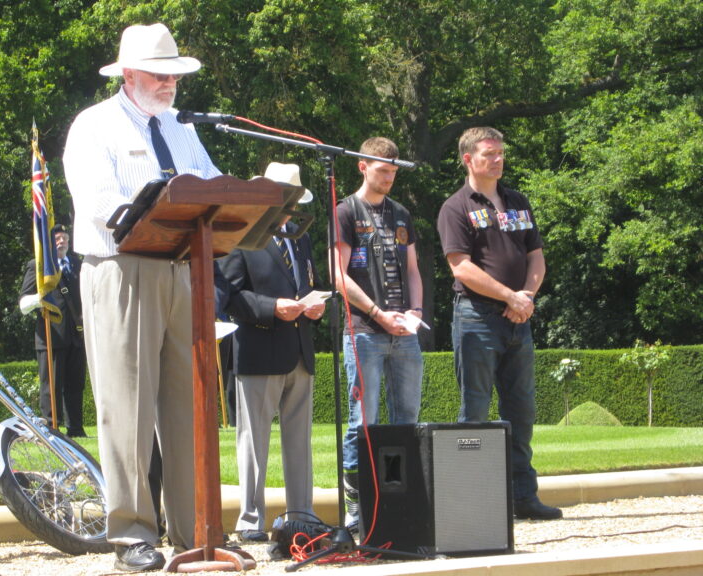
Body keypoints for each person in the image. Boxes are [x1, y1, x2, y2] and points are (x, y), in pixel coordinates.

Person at [62, 23, 221, 572]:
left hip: (183, 271)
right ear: (128, 74)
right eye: (159, 73)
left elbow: (212, 182)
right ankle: (131, 534)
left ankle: (195, 530)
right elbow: (99, 200)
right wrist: (162, 211)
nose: (170, 82)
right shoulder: (93, 126)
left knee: (192, 405)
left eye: (175, 73)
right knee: (126, 408)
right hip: (121, 270)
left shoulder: (180, 126)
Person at [437, 126, 562, 521]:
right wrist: (509, 297)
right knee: (474, 411)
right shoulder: (455, 207)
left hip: (518, 320)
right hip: (476, 318)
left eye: (500, 152)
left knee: (521, 410)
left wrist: (525, 296)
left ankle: (523, 496)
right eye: (489, 153)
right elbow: (461, 267)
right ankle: (471, 504)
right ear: (468, 159)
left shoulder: (518, 201)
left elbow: (536, 256)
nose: (498, 159)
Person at [218, 162, 324, 542]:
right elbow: (228, 295)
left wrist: (315, 306)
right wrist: (271, 307)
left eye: (293, 200)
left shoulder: (300, 236)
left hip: (299, 349)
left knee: (301, 442)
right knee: (253, 442)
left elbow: (309, 282)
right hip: (259, 349)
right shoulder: (241, 234)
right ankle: (250, 521)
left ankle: (303, 515)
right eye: (284, 198)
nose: (289, 207)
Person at [332, 137, 424, 531]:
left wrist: (416, 313)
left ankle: (402, 502)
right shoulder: (344, 211)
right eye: (382, 169)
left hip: (404, 332)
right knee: (362, 423)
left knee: (408, 420)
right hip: (365, 331)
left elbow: (415, 270)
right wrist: (376, 312)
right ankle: (358, 508)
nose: (389, 177)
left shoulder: (401, 213)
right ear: (362, 167)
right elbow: (339, 276)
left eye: (393, 171)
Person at [18, 224, 87, 438]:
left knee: (75, 385)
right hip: (51, 335)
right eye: (57, 238)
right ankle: (51, 428)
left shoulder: (77, 263)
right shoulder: (37, 266)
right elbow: (23, 302)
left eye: (65, 238)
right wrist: (39, 299)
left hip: (77, 334)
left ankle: (76, 429)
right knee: (51, 386)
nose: (62, 241)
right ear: (48, 243)